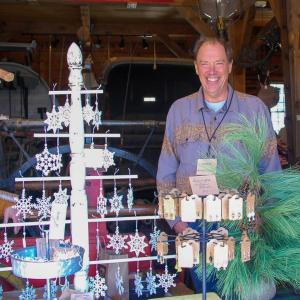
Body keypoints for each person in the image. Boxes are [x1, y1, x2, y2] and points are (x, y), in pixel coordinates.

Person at [156, 37, 281, 295]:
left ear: (230, 65)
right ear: (196, 67)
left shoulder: (255, 109)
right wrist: (178, 224)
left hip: (242, 227)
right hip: (194, 227)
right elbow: (166, 174)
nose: (211, 71)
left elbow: (271, 172)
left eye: (219, 63)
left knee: (246, 293)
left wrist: (265, 223)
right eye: (205, 63)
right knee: (206, 293)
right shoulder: (179, 111)